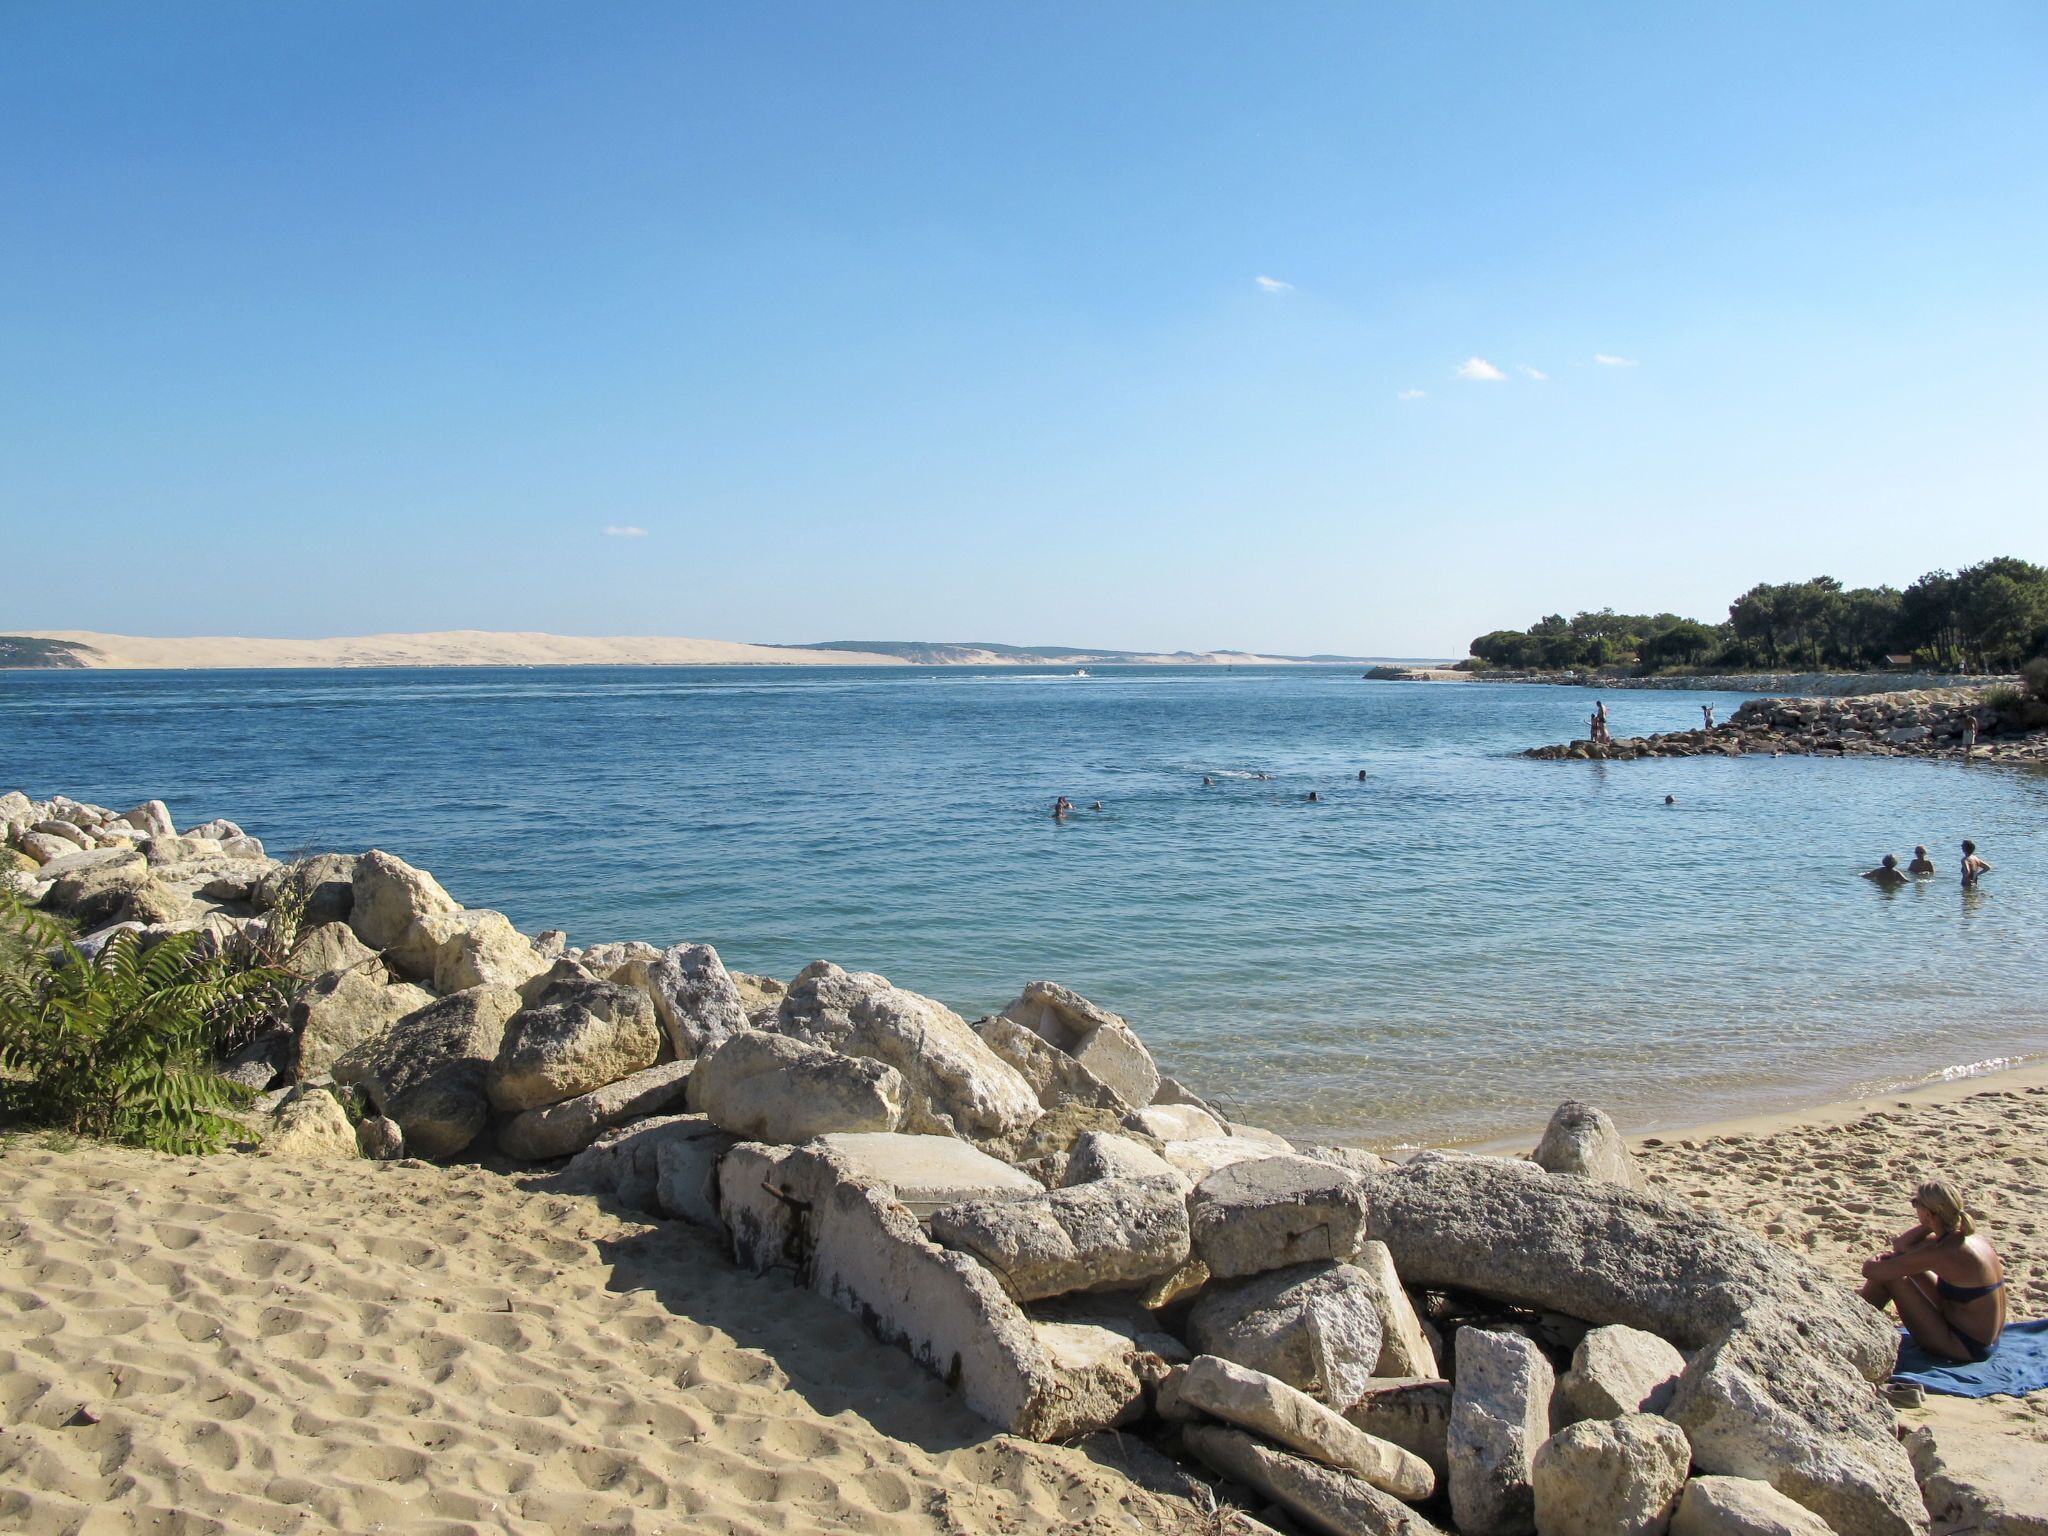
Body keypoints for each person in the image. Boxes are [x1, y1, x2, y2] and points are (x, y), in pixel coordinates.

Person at [1858, 1179, 2006, 1362]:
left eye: (1915, 1203)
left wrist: (1877, 1259)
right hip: (1983, 1339)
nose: (1914, 1207)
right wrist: (1931, 1222)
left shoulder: (1943, 1252)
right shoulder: (1968, 1239)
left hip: (1965, 1347)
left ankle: (1855, 1325)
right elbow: (1902, 1246)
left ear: (1928, 1212)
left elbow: (1870, 1271)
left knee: (1890, 1277)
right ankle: (1857, 1322)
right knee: (1898, 1266)